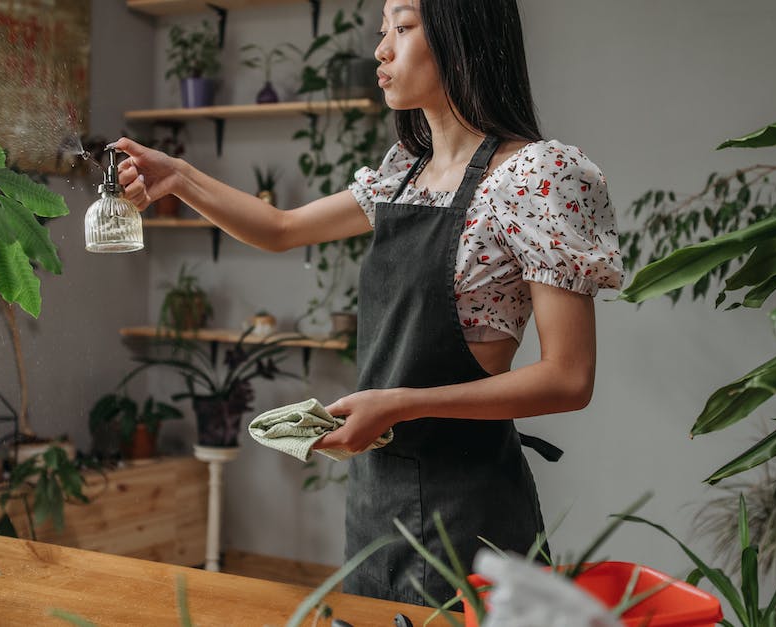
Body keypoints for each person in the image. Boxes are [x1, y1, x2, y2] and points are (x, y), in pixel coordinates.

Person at [111, 0, 623, 606]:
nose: (380, 50)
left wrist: (398, 405)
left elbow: (568, 378)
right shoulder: (405, 172)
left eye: (402, 28)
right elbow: (279, 227)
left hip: (468, 513)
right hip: (375, 506)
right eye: (383, 31)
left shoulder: (537, 174)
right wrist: (179, 178)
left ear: (463, 38)